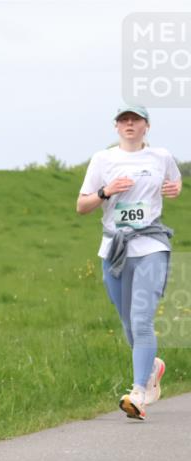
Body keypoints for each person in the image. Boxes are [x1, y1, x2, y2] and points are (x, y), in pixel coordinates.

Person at [76, 105, 182, 419]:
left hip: (150, 245)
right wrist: (106, 191)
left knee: (141, 319)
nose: (129, 124)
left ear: (146, 126)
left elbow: (173, 186)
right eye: (124, 120)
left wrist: (174, 190)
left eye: (135, 119)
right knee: (127, 323)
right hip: (113, 248)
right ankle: (153, 368)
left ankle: (138, 392)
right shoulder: (102, 159)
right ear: (116, 126)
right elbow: (82, 206)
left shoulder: (161, 157)